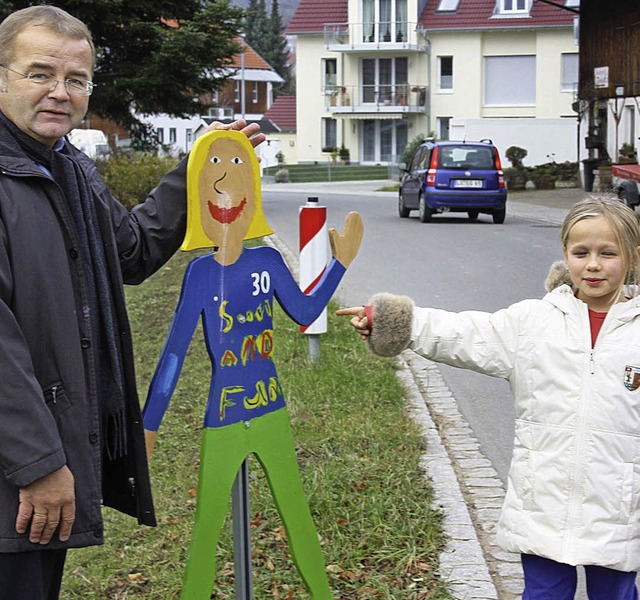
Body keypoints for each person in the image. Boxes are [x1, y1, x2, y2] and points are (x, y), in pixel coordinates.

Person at [0, 5, 263, 599]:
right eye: (39, 74)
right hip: (19, 471)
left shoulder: (67, 167)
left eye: (76, 80)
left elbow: (133, 251)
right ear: (2, 77)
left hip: (41, 467)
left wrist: (196, 170)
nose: (59, 93)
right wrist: (37, 464)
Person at [337, 196, 640, 600]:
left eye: (608, 253)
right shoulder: (533, 323)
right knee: (544, 593)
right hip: (543, 500)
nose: (594, 265)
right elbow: (465, 334)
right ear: (565, 254)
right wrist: (397, 322)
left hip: (618, 505)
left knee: (616, 595)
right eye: (581, 252)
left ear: (633, 257)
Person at [142, 129, 363, 598]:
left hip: (271, 412)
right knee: (206, 530)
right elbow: (175, 355)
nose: (227, 186)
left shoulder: (267, 262)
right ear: (201, 198)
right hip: (223, 419)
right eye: (214, 174)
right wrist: (148, 426)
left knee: (297, 517)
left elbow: (304, 312)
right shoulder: (201, 274)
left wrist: (338, 265)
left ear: (254, 194)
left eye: (240, 170)